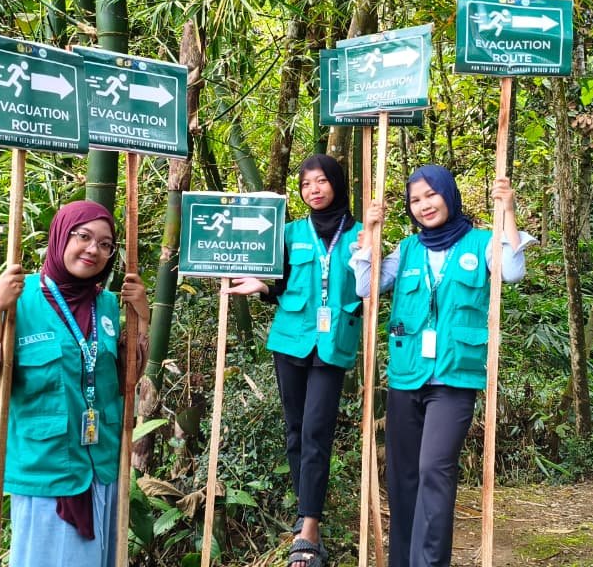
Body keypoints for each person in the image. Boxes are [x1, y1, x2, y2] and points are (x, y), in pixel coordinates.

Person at [352, 165, 536, 567]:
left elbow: (513, 270)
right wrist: (369, 233)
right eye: (415, 200)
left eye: (431, 195)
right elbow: (365, 287)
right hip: (406, 375)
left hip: (453, 379)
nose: (424, 205)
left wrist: (508, 210)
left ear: (449, 195)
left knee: (434, 469)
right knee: (403, 478)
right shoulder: (406, 250)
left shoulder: (480, 244)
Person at [0, 200, 149, 567]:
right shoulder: (16, 296)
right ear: (60, 236)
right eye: (84, 236)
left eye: (106, 244)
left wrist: (142, 320)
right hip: (46, 468)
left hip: (100, 466)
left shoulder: (105, 303)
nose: (94, 250)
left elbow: (125, 382)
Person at [223, 154, 363, 567]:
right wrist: (260, 287)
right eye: (306, 185)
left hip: (333, 342)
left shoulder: (359, 235)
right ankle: (305, 516)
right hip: (290, 340)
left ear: (336, 183)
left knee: (318, 430)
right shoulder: (288, 233)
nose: (314, 190)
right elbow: (279, 284)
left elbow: (372, 284)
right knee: (295, 431)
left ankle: (310, 526)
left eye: (321, 182)